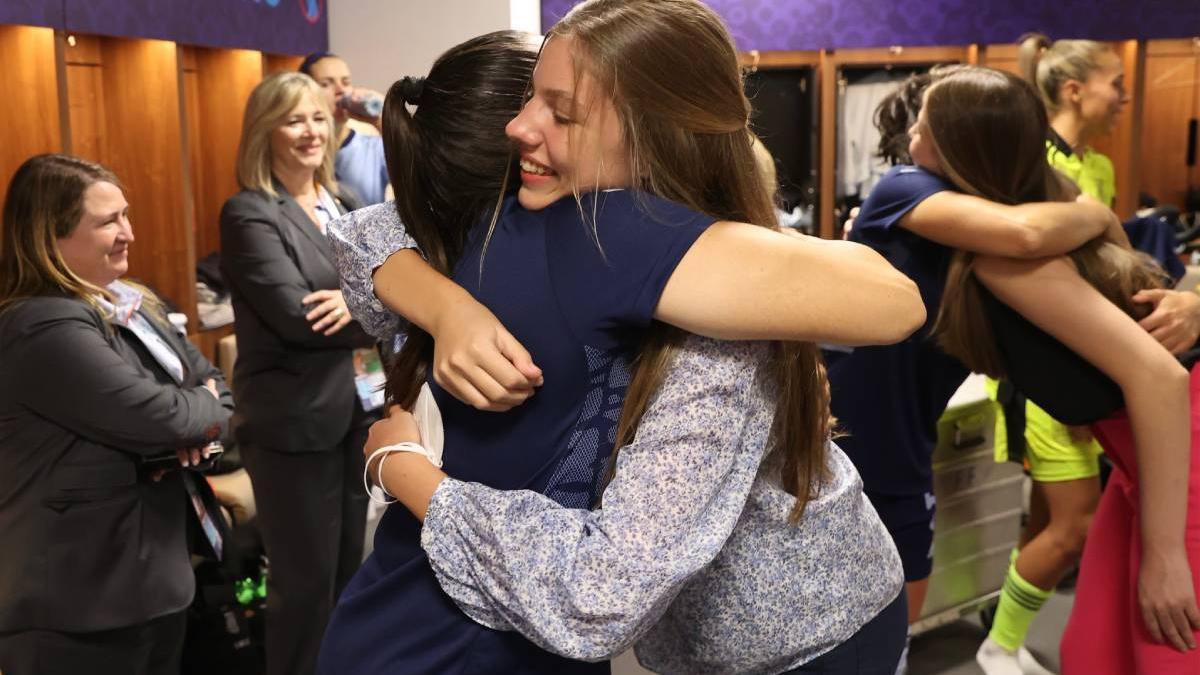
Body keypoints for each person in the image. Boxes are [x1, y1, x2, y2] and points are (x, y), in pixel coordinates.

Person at [320, 8, 926, 673]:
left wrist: (408, 472)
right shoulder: (535, 224)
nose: (522, 127)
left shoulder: (678, 296)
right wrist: (446, 305)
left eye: (563, 112)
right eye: (528, 100)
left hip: (805, 641)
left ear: (654, 137)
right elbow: (370, 233)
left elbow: (600, 592)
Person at [820, 66, 1125, 674]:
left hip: (903, 446)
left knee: (892, 625)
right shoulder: (902, 187)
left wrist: (1090, 209)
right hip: (845, 440)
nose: (913, 130)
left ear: (960, 141)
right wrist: (1099, 215)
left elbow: (1034, 214)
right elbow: (1026, 230)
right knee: (847, 623)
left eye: (927, 121)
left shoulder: (977, 203)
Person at [926, 66, 1200, 675]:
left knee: (1167, 645)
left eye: (924, 130)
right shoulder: (1038, 223)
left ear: (964, 153)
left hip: (1178, 454)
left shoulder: (1008, 257)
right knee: (1095, 649)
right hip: (1139, 459)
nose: (909, 145)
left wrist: (1165, 554)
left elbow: (1164, 378)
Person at [0, 154, 233, 675]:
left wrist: (200, 418)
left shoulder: (132, 300)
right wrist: (197, 413)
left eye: (125, 215)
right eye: (107, 221)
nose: (128, 232)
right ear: (50, 235)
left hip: (149, 583)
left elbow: (219, 398)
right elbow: (169, 416)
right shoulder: (42, 325)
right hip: (77, 604)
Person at [220, 72, 379, 675]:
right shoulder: (249, 213)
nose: (311, 131)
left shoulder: (345, 205)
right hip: (292, 427)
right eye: (294, 120)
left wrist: (363, 301)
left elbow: (395, 290)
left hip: (355, 413)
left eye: (317, 117)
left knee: (347, 576)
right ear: (266, 131)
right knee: (304, 588)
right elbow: (299, 318)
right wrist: (371, 300)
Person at [300, 52, 390, 205]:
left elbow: (420, 176)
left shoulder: (375, 148)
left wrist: (382, 121)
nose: (340, 90)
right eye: (326, 84)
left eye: (346, 82)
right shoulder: (302, 151)